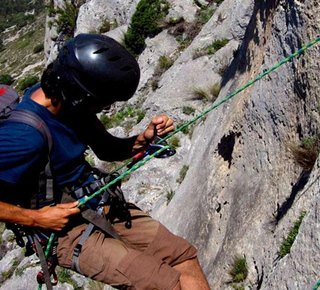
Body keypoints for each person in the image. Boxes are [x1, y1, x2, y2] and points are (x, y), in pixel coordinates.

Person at [0, 33, 210, 290]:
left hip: (101, 203)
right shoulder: (24, 137)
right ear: (82, 95)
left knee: (183, 256)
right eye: (103, 103)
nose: (104, 109)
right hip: (66, 232)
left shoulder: (67, 101)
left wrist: (143, 140)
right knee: (166, 284)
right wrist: (37, 218)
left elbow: (107, 149)